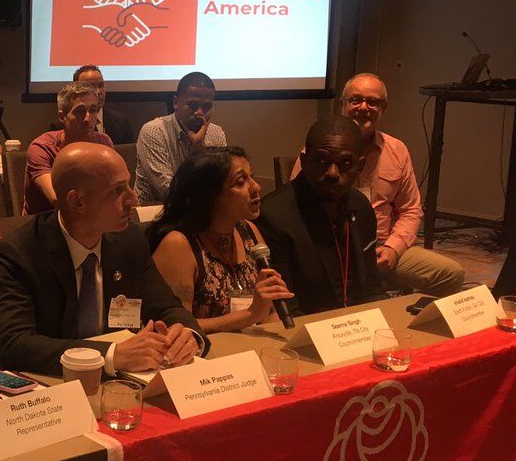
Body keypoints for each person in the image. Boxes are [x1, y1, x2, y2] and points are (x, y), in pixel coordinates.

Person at [0, 143, 205, 376]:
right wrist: (111, 355)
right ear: (77, 202)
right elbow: (15, 344)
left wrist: (187, 335)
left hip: (122, 382)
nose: (133, 199)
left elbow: (167, 307)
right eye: (118, 190)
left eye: (129, 185)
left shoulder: (129, 241)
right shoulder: (20, 252)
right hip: (47, 384)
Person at [288, 73, 464, 297]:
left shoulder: (397, 150)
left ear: (383, 108)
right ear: (343, 104)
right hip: (331, 247)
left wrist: (393, 247)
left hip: (381, 245)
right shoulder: (316, 152)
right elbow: (294, 210)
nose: (363, 107)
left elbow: (411, 210)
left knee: (451, 274)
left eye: (372, 102)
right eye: (355, 100)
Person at [147, 147, 294, 333]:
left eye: (251, 177)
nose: (256, 187)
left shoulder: (248, 230)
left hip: (251, 347)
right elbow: (175, 326)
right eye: (240, 182)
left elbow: (269, 311)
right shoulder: (178, 244)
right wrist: (250, 315)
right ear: (210, 196)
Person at [258, 115, 387, 315]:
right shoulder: (274, 216)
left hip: (359, 322)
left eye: (345, 162)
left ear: (360, 166)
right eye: (321, 160)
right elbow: (285, 307)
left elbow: (372, 286)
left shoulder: (361, 207)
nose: (332, 173)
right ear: (304, 162)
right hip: (307, 324)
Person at [134, 71, 227, 205]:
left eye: (207, 107)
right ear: (176, 102)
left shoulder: (216, 133)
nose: (199, 113)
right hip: (155, 211)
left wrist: (200, 149)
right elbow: (167, 192)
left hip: (201, 211)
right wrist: (200, 155)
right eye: (193, 105)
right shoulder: (154, 131)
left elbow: (222, 185)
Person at [23, 80, 114, 214]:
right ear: (62, 116)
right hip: (47, 220)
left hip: (93, 216)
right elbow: (57, 200)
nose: (88, 118)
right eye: (79, 111)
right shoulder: (42, 148)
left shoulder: (103, 142)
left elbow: (115, 188)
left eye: (92, 110)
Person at [74, 65, 134, 146]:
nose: (98, 92)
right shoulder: (65, 124)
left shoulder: (121, 122)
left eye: (101, 85)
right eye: (90, 86)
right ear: (76, 90)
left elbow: (128, 152)